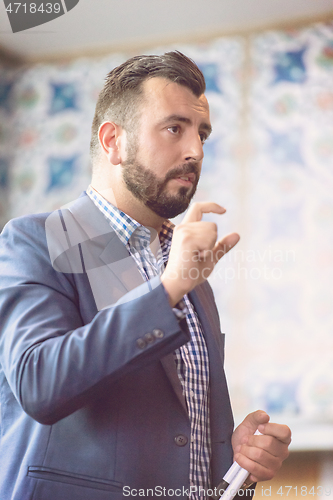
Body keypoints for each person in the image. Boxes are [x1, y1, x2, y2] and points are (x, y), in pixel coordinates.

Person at [0, 51, 291, 500]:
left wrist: (238, 467)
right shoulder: (36, 241)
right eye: (175, 128)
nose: (195, 150)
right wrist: (171, 286)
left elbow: (178, 438)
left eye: (202, 134)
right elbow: (40, 384)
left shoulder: (195, 281)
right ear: (113, 141)